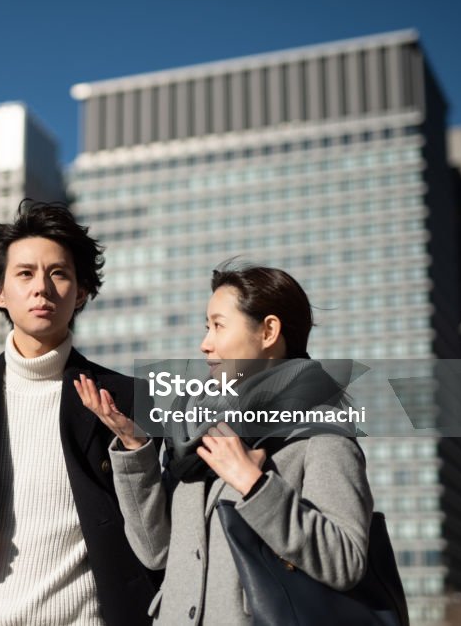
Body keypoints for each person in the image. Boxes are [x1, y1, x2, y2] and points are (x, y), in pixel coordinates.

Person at [0, 201, 160, 626]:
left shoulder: (129, 398)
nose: (42, 287)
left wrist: (137, 447)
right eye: (25, 273)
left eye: (59, 273)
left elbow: (157, 536)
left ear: (82, 291)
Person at [75, 262, 374, 624]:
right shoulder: (197, 432)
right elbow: (157, 552)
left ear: (268, 332)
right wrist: (135, 448)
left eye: (218, 325)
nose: (205, 344)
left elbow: (345, 561)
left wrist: (256, 485)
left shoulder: (321, 432)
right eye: (207, 327)